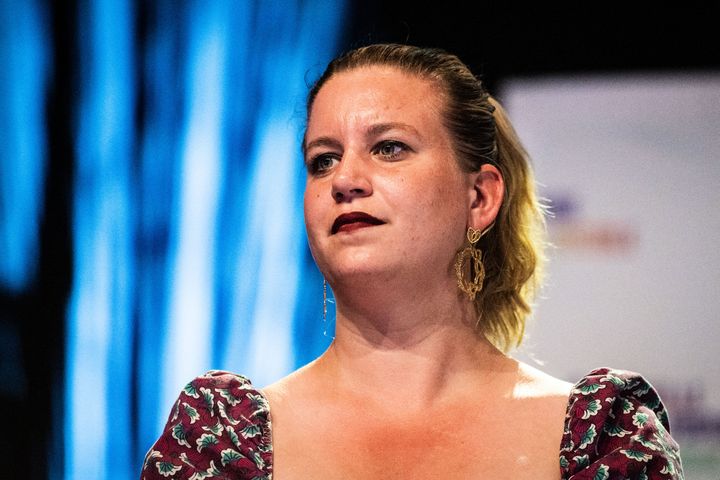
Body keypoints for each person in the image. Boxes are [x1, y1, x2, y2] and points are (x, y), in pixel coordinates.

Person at [140, 44, 684, 479]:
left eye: (389, 148)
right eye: (322, 159)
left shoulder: (601, 438)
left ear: (479, 198)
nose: (346, 180)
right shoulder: (221, 441)